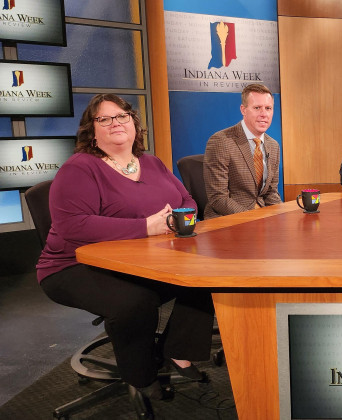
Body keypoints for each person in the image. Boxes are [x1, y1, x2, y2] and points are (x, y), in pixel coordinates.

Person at [36, 94, 215, 399]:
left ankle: (175, 350)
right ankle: (142, 378)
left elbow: (186, 200)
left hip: (139, 261)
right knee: (135, 301)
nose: (116, 123)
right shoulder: (79, 169)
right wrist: (146, 227)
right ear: (91, 132)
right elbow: (72, 226)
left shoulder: (152, 162)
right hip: (73, 266)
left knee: (206, 276)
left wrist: (178, 219)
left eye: (122, 116)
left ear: (134, 124)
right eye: (104, 119)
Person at [204, 83, 281, 219]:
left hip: (262, 218)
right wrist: (252, 218)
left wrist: (284, 214)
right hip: (228, 219)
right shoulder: (221, 141)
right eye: (257, 108)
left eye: (268, 108)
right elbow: (218, 198)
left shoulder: (273, 146)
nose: (264, 114)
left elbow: (271, 193)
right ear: (243, 110)